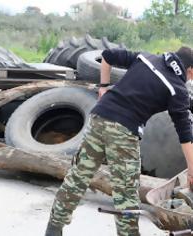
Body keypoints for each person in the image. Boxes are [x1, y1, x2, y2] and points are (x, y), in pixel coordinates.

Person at [45, 46, 193, 236]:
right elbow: (185, 133)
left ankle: (53, 228)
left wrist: (103, 87)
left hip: (99, 118)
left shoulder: (146, 57)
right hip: (123, 131)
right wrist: (191, 170)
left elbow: (107, 56)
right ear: (189, 70)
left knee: (78, 178)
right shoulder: (176, 88)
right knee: (126, 194)